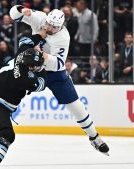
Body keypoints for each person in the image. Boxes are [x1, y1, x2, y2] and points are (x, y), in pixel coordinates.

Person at [10, 4, 109, 155]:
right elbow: (13, 14)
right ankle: (1, 118)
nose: (49, 28)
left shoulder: (63, 37)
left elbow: (58, 64)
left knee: (76, 107)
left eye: (54, 27)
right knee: (9, 80)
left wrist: (43, 56)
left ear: (61, 26)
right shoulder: (40, 18)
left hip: (54, 74)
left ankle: (94, 137)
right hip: (33, 68)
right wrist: (22, 10)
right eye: (48, 24)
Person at [0, 31, 47, 169]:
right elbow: (41, 85)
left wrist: (40, 35)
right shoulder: (25, 79)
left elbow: (25, 40)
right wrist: (45, 66)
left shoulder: (21, 54)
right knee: (7, 136)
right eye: (35, 67)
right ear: (30, 67)